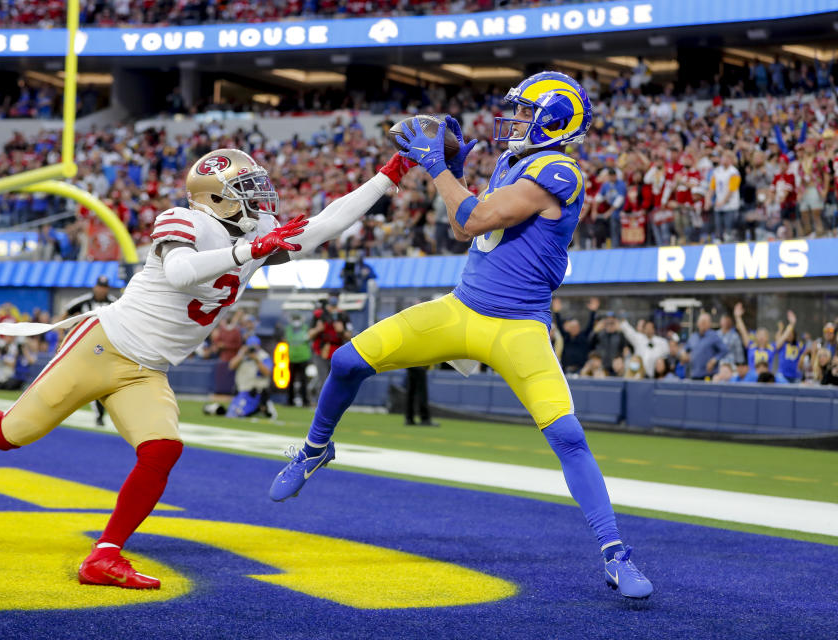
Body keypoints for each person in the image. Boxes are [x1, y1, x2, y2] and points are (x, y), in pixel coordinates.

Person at [0, 147, 412, 590]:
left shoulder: (256, 231)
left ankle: (105, 554)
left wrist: (391, 173)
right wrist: (250, 250)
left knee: (162, 449)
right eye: (245, 189)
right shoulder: (186, 219)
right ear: (214, 197)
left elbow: (326, 222)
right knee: (9, 435)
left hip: (148, 369)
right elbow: (180, 272)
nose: (259, 199)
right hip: (103, 346)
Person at [270, 72, 652, 599]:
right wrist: (450, 171)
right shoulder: (514, 162)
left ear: (555, 119)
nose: (513, 119)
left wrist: (438, 170)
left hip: (518, 326)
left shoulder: (560, 168)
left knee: (567, 436)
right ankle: (314, 449)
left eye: (524, 111)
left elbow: (476, 216)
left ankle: (615, 554)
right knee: (345, 361)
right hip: (462, 308)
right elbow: (461, 227)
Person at [61, 275, 118, 426]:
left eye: (104, 287)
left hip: (105, 348)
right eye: (100, 286)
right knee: (74, 380)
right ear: (95, 287)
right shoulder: (84, 301)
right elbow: (65, 316)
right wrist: (63, 339)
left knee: (100, 381)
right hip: (83, 346)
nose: (101, 290)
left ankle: (100, 414)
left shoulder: (114, 303)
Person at [204, 336, 276, 418]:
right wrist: (241, 355)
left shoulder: (263, 356)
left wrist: (257, 360)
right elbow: (231, 366)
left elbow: (267, 373)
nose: (252, 349)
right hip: (241, 392)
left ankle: (263, 406)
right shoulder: (242, 354)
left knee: (238, 413)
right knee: (231, 412)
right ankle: (261, 409)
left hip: (255, 393)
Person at [553, 297, 599, 374]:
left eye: (576, 327)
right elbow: (559, 325)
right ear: (569, 329)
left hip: (581, 370)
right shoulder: (566, 337)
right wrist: (557, 312)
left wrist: (593, 311)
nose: (574, 329)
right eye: (572, 327)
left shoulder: (583, 336)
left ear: (579, 327)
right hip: (566, 369)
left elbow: (590, 325)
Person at [733, 302, 775, 375]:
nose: (761, 337)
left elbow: (782, 339)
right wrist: (738, 317)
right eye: (759, 335)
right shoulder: (751, 346)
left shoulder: (771, 348)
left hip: (765, 378)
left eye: (763, 335)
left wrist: (791, 325)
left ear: (767, 338)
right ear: (756, 336)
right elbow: (743, 331)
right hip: (752, 378)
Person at [685, 312, 728, 380]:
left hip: (708, 375)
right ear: (697, 323)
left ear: (709, 324)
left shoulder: (713, 336)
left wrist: (714, 360)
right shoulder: (693, 337)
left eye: (705, 322)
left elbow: (724, 350)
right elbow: (685, 350)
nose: (702, 324)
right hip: (693, 374)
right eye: (701, 321)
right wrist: (683, 354)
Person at [284, 313, 312, 406]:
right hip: (292, 358)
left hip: (303, 357)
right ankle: (290, 400)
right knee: (291, 380)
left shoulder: (305, 328)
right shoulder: (288, 329)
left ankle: (305, 400)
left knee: (303, 380)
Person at [775, 310, 804, 383]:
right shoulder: (783, 344)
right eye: (788, 333)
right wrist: (791, 324)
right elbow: (778, 340)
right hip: (782, 375)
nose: (789, 335)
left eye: (791, 333)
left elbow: (805, 352)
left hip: (795, 376)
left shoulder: (799, 345)